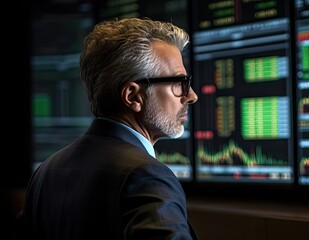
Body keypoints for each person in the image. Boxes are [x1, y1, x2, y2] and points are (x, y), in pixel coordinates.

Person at [15, 17, 199, 240]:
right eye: (180, 83)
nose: (191, 95)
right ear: (133, 96)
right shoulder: (147, 176)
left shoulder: (46, 171)